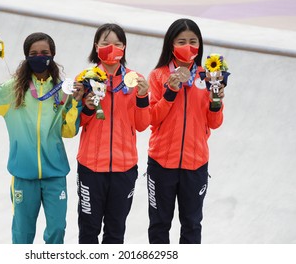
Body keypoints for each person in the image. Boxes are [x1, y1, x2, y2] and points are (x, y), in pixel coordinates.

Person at [0, 32, 84, 244]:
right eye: (33, 53)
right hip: (23, 176)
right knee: (22, 234)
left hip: (54, 174)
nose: (39, 56)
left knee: (57, 230)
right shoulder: (13, 89)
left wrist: (76, 103)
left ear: (52, 55)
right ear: (26, 56)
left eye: (44, 53)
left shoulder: (63, 90)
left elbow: (69, 131)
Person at [146, 18, 225, 244]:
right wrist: (171, 90)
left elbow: (215, 122)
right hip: (161, 162)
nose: (188, 46)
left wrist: (216, 101)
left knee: (191, 225)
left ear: (200, 45)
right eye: (181, 41)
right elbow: (152, 118)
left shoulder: (207, 77)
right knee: (159, 224)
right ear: (171, 44)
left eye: (193, 41)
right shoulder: (158, 76)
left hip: (195, 163)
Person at [75, 23, 151, 244]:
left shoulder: (135, 79)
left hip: (124, 168)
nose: (112, 48)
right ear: (96, 46)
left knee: (116, 232)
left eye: (117, 44)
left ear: (124, 47)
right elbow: (74, 123)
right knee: (88, 231)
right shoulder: (84, 78)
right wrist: (87, 106)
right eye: (105, 43)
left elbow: (141, 125)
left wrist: (142, 97)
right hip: (91, 167)